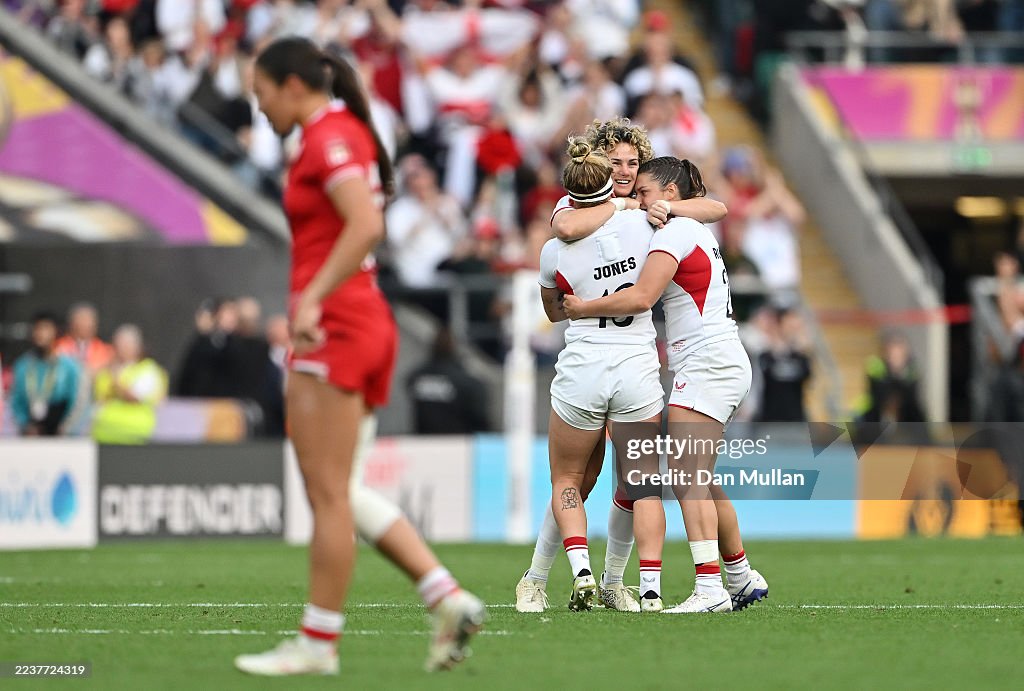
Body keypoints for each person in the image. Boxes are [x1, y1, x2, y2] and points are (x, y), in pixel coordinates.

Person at [235, 37, 483, 677]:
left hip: (338, 323)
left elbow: (366, 224)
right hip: (359, 320)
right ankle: (446, 597)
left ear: (292, 85)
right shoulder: (336, 132)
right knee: (341, 490)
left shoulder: (327, 136)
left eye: (260, 94)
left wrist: (312, 297)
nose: (258, 109)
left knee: (327, 496)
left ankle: (319, 644)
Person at [515, 118, 728, 614]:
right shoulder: (622, 215)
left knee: (589, 483)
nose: (627, 170)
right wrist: (631, 205)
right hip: (634, 363)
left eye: (634, 163)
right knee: (614, 482)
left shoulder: (638, 212)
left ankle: (597, 580)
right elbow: (568, 222)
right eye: (618, 163)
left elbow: (713, 206)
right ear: (600, 166)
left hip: (590, 361)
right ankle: (553, 578)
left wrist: (652, 205)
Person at [564, 157, 769, 613]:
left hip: (707, 362)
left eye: (644, 193)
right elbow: (713, 207)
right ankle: (739, 576)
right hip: (717, 360)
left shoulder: (676, 231)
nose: (640, 202)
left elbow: (642, 297)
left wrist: (582, 308)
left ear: (671, 195)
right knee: (699, 477)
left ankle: (711, 589)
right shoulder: (690, 226)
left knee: (687, 476)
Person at [536, 138, 666, 612]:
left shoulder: (554, 248)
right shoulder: (645, 224)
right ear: (611, 179)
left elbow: (553, 312)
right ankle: (647, 590)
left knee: (567, 480)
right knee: (642, 483)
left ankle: (583, 573)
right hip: (637, 367)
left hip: (584, 367)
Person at [91, 324, 168, 444]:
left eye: (126, 345)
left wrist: (116, 382)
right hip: (103, 435)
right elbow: (99, 398)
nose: (121, 349)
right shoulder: (105, 370)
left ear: (137, 347)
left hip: (135, 435)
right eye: (118, 345)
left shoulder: (147, 369)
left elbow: (134, 397)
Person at [407, 328, 490, 434]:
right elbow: (480, 419)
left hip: (425, 443)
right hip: (459, 443)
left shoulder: (416, 378)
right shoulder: (466, 382)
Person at [11, 312, 81, 437]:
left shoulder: (68, 366)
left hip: (60, 435)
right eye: (37, 329)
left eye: (46, 329)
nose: (41, 334)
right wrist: (25, 425)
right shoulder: (23, 366)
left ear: (56, 332)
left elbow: (75, 401)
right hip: (30, 434)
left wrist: (64, 427)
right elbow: (16, 401)